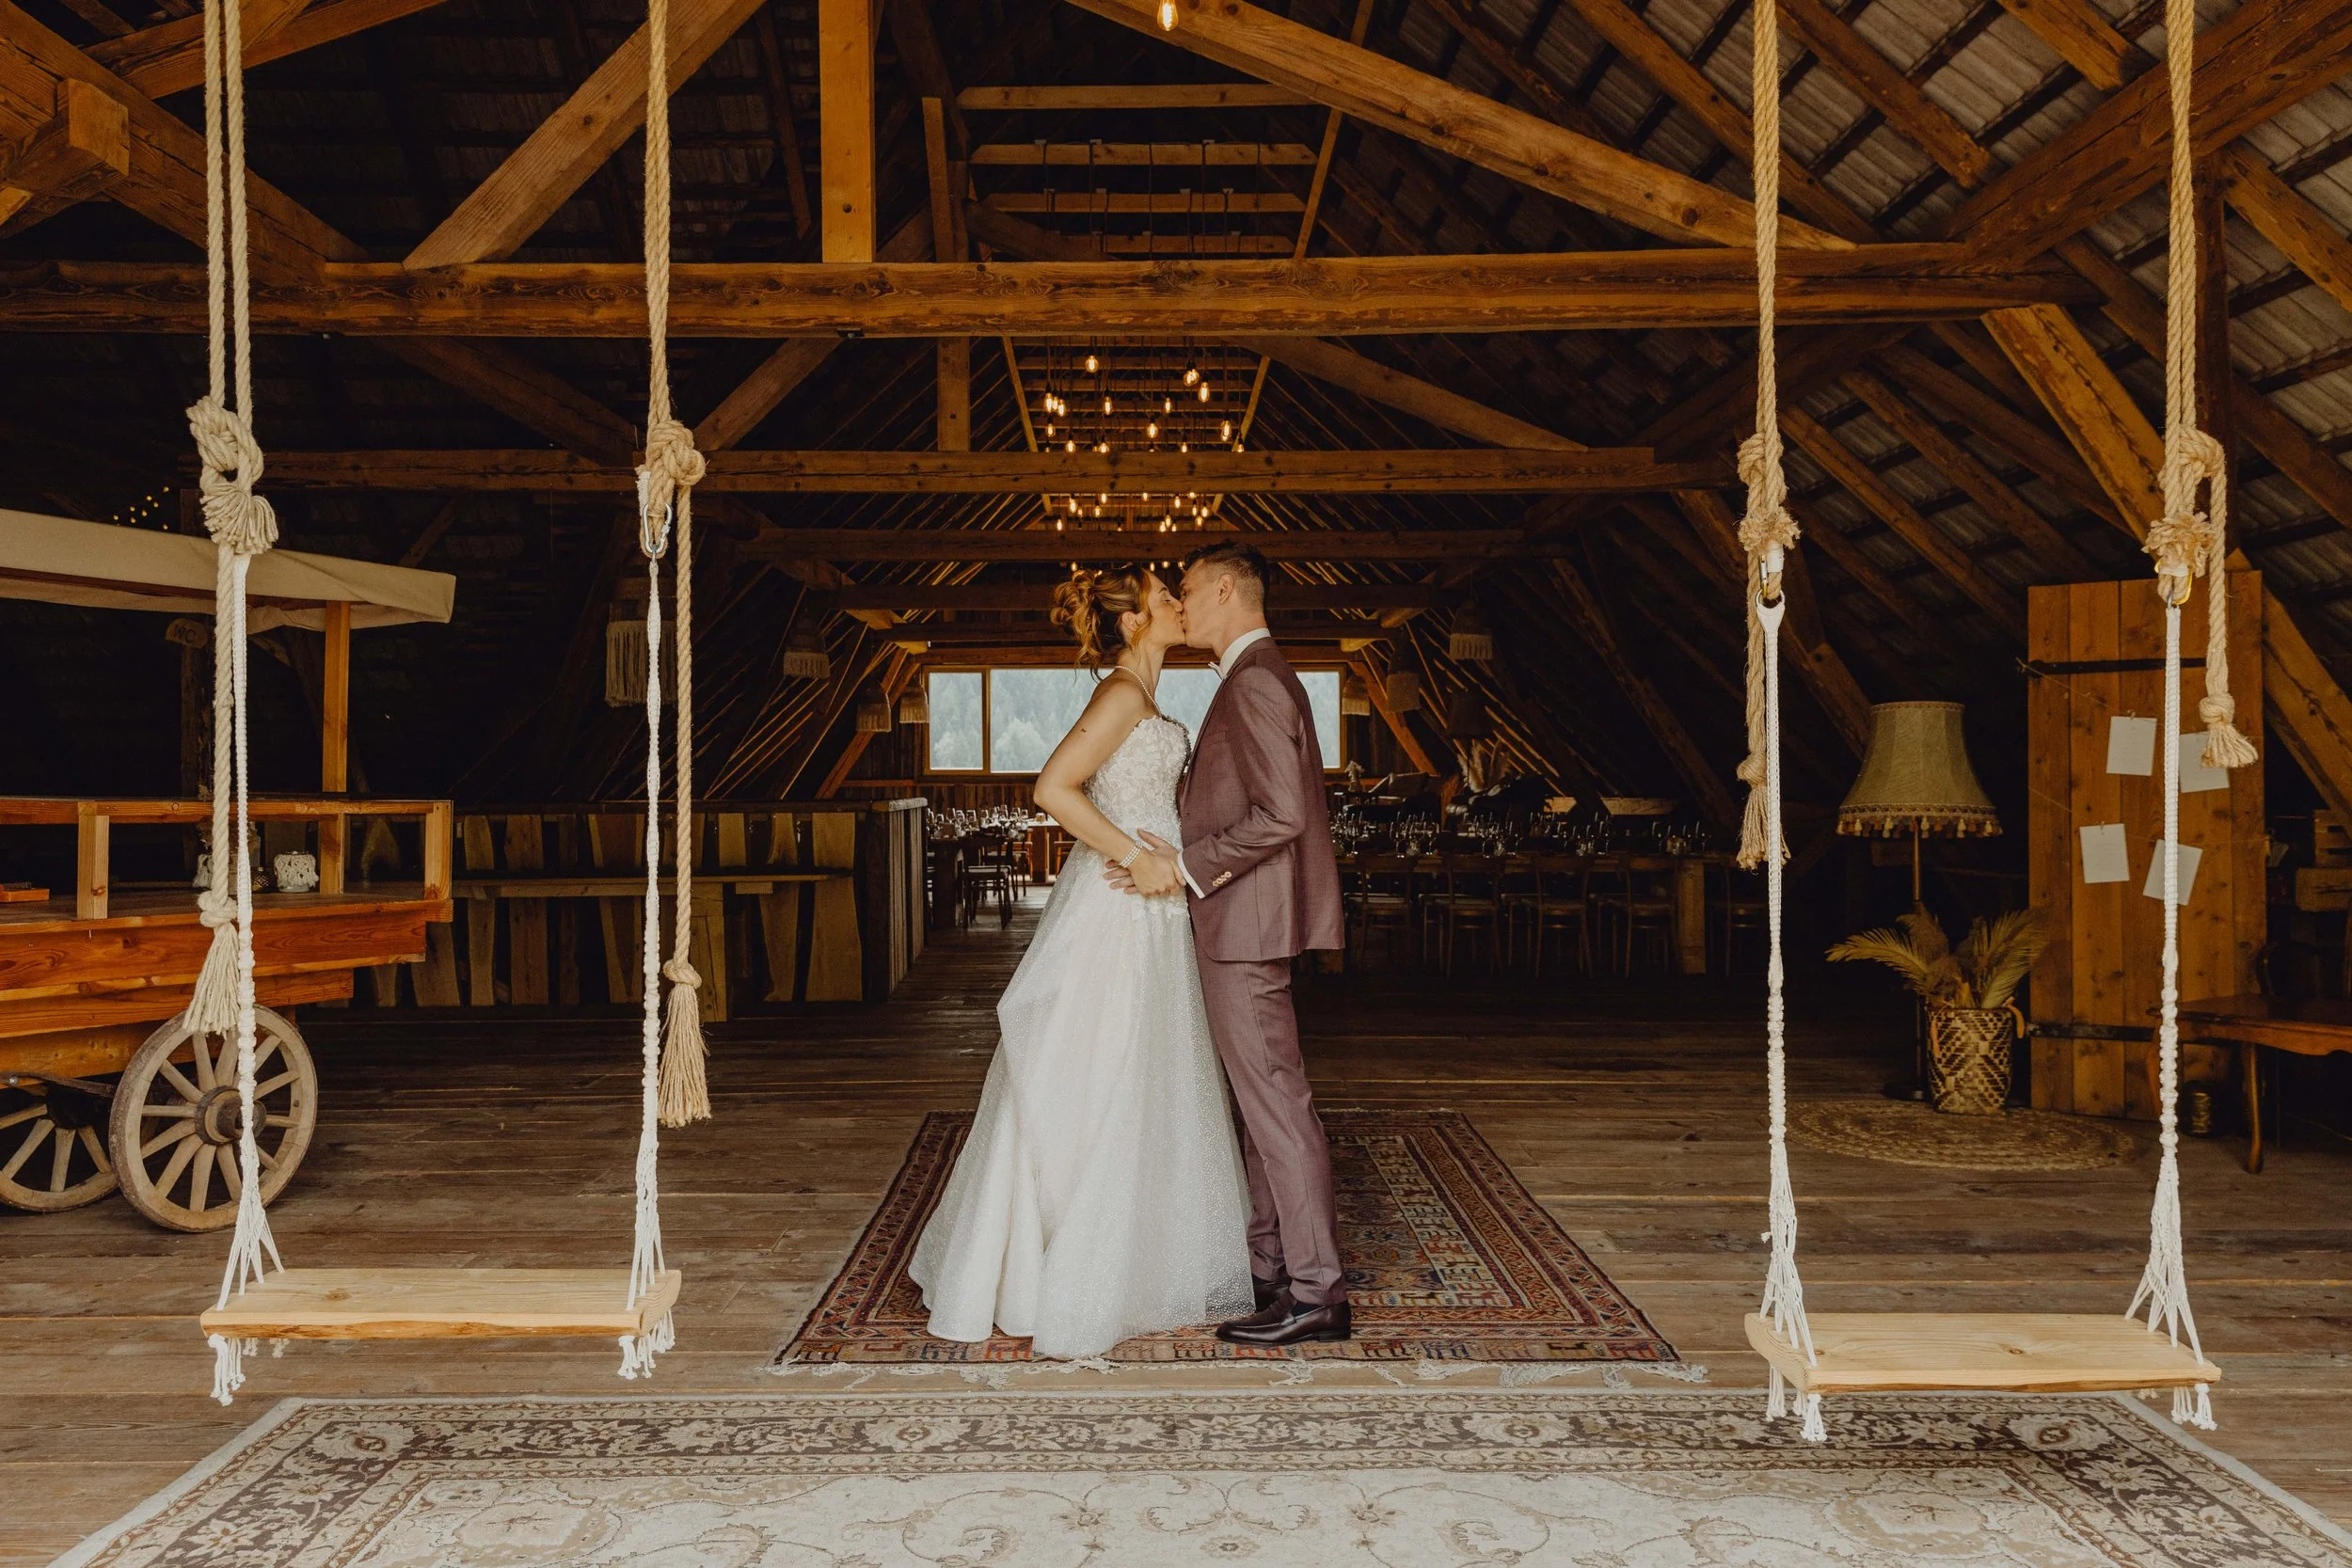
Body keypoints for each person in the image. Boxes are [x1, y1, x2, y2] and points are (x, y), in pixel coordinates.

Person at [908, 564, 1254, 1359]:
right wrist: (1135, 856)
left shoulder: (1145, 695)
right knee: (1105, 1067)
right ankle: (1059, 1264)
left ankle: (1137, 1257)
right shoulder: (1123, 695)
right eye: (1164, 597)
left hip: (1154, 908)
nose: (1178, 603)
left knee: (1144, 1069)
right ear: (1132, 620)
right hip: (1120, 908)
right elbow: (1053, 788)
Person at [1107, 541, 1351, 1347]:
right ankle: (1271, 1268)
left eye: (1185, 588)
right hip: (1242, 920)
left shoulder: (1254, 681)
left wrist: (1183, 866)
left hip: (1245, 926)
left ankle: (1317, 1292)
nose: (1179, 603)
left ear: (1222, 590)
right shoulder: (1254, 675)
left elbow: (1281, 815)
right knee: (1262, 1104)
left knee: (1277, 1104)